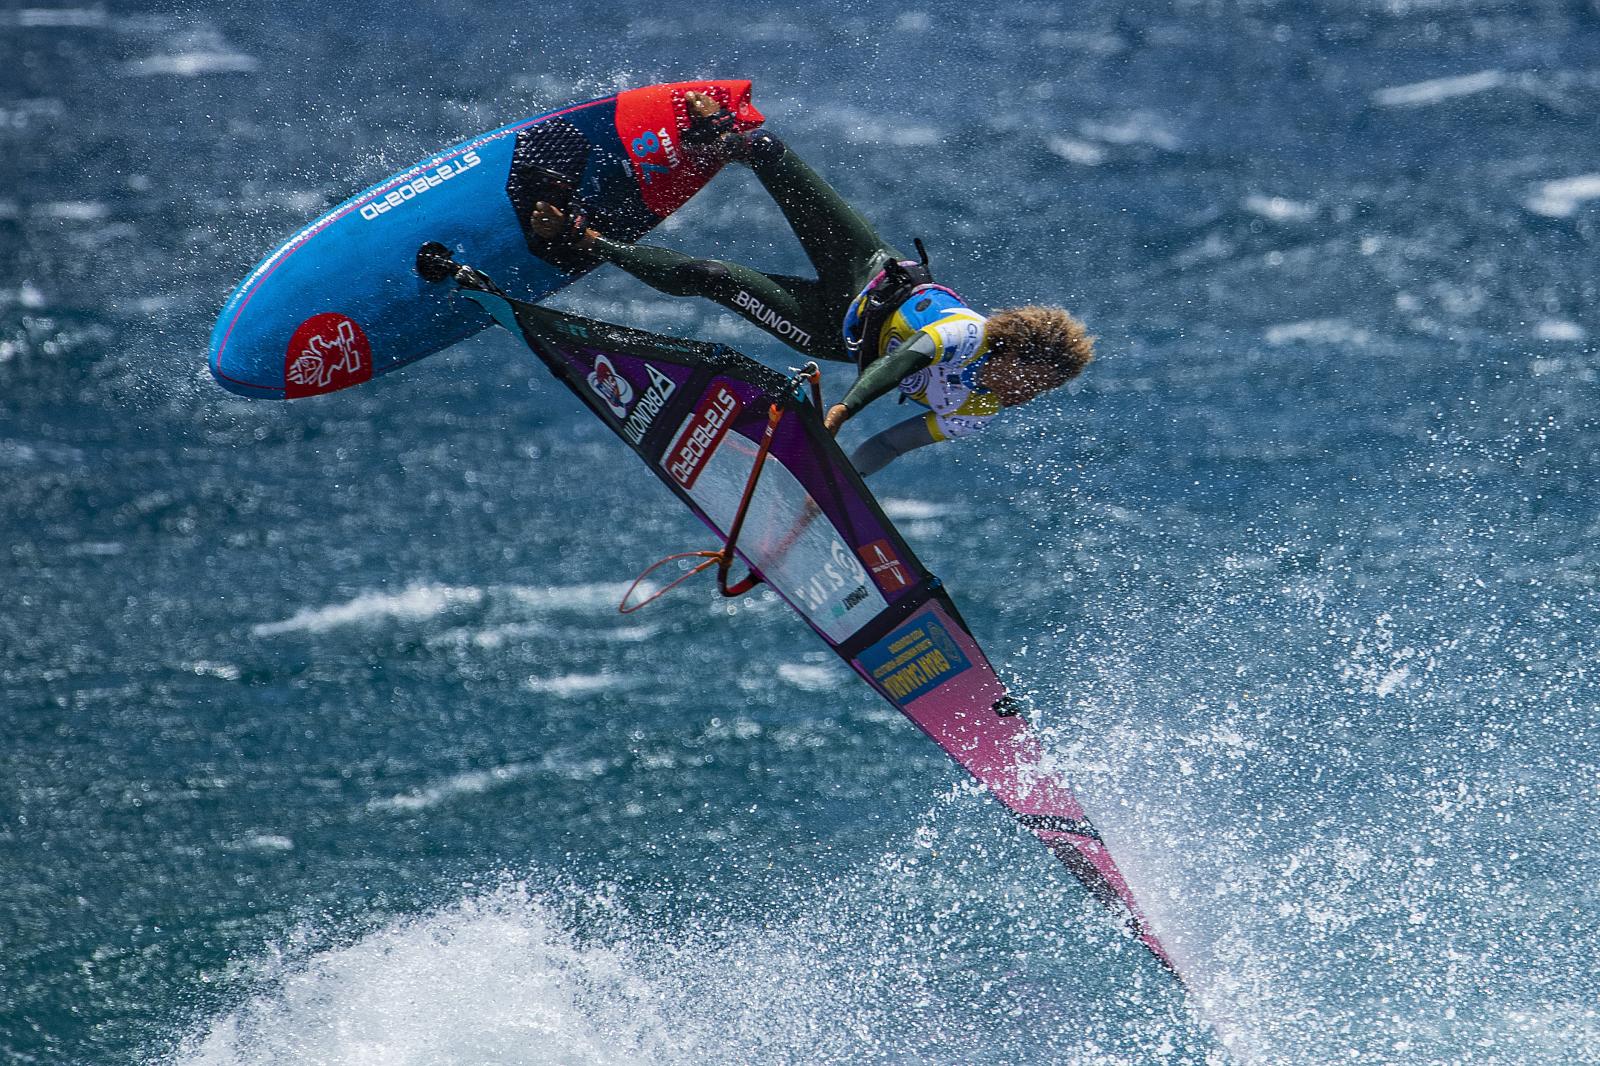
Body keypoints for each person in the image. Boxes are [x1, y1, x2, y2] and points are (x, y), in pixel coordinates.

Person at [529, 92, 1094, 476]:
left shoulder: (978, 409)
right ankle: (716, 139)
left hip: (829, 329)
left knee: (712, 277)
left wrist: (840, 486)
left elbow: (890, 444)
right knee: (767, 150)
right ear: (1012, 352)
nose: (1028, 394)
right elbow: (902, 362)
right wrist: (844, 410)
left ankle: (583, 238)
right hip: (868, 267)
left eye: (1041, 392)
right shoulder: (967, 335)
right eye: (1032, 380)